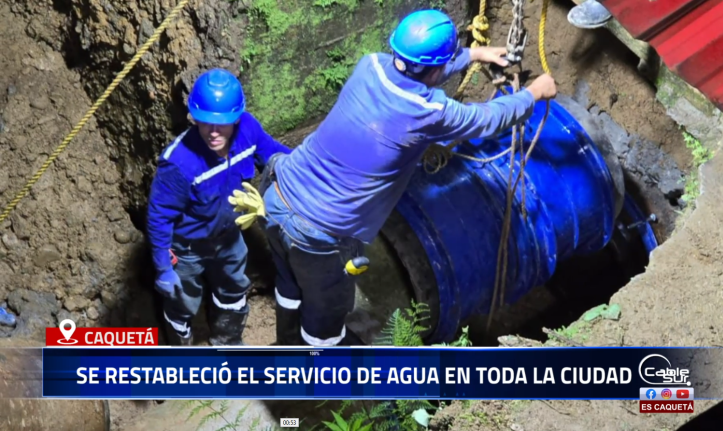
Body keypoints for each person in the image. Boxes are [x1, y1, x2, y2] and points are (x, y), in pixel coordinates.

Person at [259, 9, 558, 347]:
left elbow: (416, 71)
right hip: (316, 229)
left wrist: (474, 54)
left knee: (289, 282)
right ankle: (316, 372)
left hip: (277, 191)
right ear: (435, 69)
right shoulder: (429, 112)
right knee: (328, 308)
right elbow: (487, 119)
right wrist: (533, 93)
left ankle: (285, 342)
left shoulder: (369, 65)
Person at [146, 68, 291, 346]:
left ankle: (227, 343)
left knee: (234, 289)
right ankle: (181, 354)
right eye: (205, 122)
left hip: (229, 238)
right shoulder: (179, 163)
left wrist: (311, 167)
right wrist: (163, 267)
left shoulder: (248, 131)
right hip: (187, 248)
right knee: (182, 302)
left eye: (222, 123)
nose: (213, 132)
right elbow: (159, 217)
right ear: (194, 117)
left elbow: (275, 155)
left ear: (236, 117)